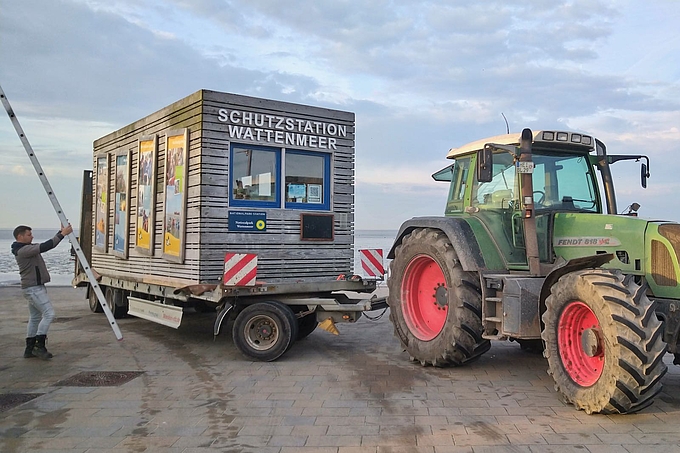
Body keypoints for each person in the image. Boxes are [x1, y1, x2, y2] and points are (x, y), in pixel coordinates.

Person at [11, 224, 73, 360]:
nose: (32, 236)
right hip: (33, 288)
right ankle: (39, 345)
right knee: (49, 314)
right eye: (29, 234)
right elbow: (46, 246)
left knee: (35, 318)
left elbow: (45, 244)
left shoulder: (25, 248)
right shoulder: (24, 251)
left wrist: (60, 232)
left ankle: (30, 348)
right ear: (20, 237)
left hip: (33, 287)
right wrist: (62, 234)